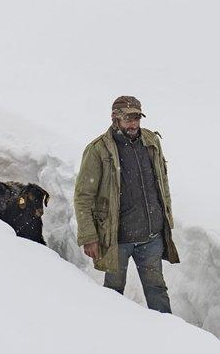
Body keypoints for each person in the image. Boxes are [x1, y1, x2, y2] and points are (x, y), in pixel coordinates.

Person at [74, 95, 179, 313]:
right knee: (113, 293)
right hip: (117, 239)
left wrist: (165, 218)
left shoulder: (151, 141)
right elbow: (83, 196)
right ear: (115, 119)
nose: (133, 123)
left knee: (157, 291)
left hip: (151, 236)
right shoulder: (98, 150)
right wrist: (89, 236)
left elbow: (162, 182)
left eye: (137, 118)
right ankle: (111, 334)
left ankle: (169, 337)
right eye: (128, 118)